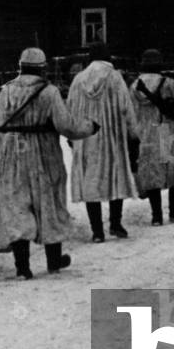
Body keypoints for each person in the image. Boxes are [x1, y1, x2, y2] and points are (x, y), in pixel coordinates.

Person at [0, 47, 98, 279]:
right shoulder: (49, 92)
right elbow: (65, 124)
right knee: (49, 202)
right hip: (43, 152)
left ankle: (22, 267)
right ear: (42, 68)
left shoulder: (6, 91)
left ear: (21, 67)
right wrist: (88, 127)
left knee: (17, 205)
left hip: (13, 152)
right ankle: (54, 260)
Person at [67, 41, 138, 242]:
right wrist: (133, 134)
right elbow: (126, 107)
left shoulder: (79, 79)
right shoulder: (115, 78)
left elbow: (70, 108)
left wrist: (72, 135)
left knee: (91, 182)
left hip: (86, 138)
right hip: (112, 137)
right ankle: (116, 224)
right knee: (115, 177)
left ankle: (97, 231)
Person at [130, 49, 174, 225]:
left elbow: (130, 112)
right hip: (169, 130)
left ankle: (156, 216)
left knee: (151, 173)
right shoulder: (169, 84)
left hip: (146, 132)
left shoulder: (134, 86)